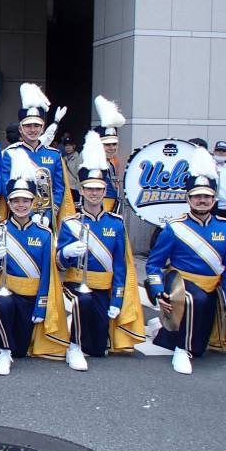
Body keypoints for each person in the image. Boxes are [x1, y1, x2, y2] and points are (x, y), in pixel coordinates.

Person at [146, 146, 226, 374]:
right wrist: (158, 291)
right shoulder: (174, 227)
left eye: (207, 197)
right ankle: (181, 351)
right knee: (194, 300)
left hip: (212, 285)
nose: (202, 201)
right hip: (181, 281)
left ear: (214, 199)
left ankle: (164, 332)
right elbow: (154, 264)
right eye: (197, 196)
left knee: (200, 346)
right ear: (188, 198)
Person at [57, 131, 144, 368]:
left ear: (105, 192)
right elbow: (58, 264)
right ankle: (73, 346)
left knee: (97, 350)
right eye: (89, 189)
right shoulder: (70, 223)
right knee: (82, 301)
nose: (94, 193)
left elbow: (120, 265)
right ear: (81, 191)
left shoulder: (116, 223)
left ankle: (89, 342)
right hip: (76, 285)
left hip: (104, 288)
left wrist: (116, 298)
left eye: (98, 189)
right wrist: (66, 253)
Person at [0, 148, 71, 375]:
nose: (20, 205)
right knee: (3, 306)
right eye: (15, 201)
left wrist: (42, 305)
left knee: (21, 348)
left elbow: (47, 274)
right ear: (9, 203)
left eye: (25, 201)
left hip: (31, 295)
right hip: (6, 290)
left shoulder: (44, 234)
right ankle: (3, 353)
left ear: (33, 202)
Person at [0, 83, 74, 230]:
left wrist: (48, 216)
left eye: (36, 126)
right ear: (20, 129)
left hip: (46, 216)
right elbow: (6, 186)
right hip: (18, 213)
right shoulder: (10, 153)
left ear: (42, 128)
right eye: (28, 126)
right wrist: (24, 212)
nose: (32, 130)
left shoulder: (54, 155)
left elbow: (59, 189)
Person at [93, 95, 126, 212]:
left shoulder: (109, 162)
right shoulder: (94, 164)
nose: (112, 148)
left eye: (114, 144)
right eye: (107, 144)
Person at [62, 136, 82, 201]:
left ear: (74, 146)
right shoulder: (63, 158)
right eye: (66, 145)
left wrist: (79, 189)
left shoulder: (78, 158)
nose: (68, 147)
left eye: (70, 145)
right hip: (65, 188)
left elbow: (79, 175)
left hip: (74, 188)